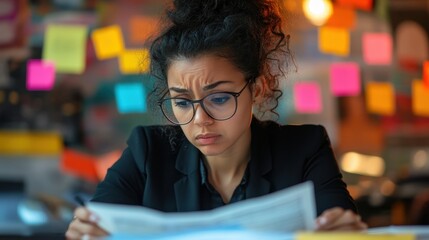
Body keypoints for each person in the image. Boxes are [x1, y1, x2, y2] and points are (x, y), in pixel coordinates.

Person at [65, 0, 367, 238]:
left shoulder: (304, 150)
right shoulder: (148, 151)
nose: (200, 120)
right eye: (182, 102)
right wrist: (85, 231)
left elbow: (342, 228)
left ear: (258, 88)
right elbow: (97, 223)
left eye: (219, 98)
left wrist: (346, 232)